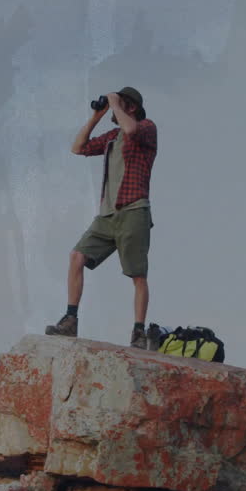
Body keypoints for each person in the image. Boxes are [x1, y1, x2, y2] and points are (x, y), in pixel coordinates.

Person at [45, 86, 158, 348]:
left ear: (132, 107)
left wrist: (116, 105)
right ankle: (70, 320)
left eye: (123, 102)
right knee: (77, 256)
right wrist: (97, 116)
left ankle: (138, 332)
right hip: (107, 214)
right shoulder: (112, 137)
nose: (116, 105)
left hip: (134, 210)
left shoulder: (146, 128)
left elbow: (131, 129)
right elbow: (78, 147)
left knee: (137, 275)